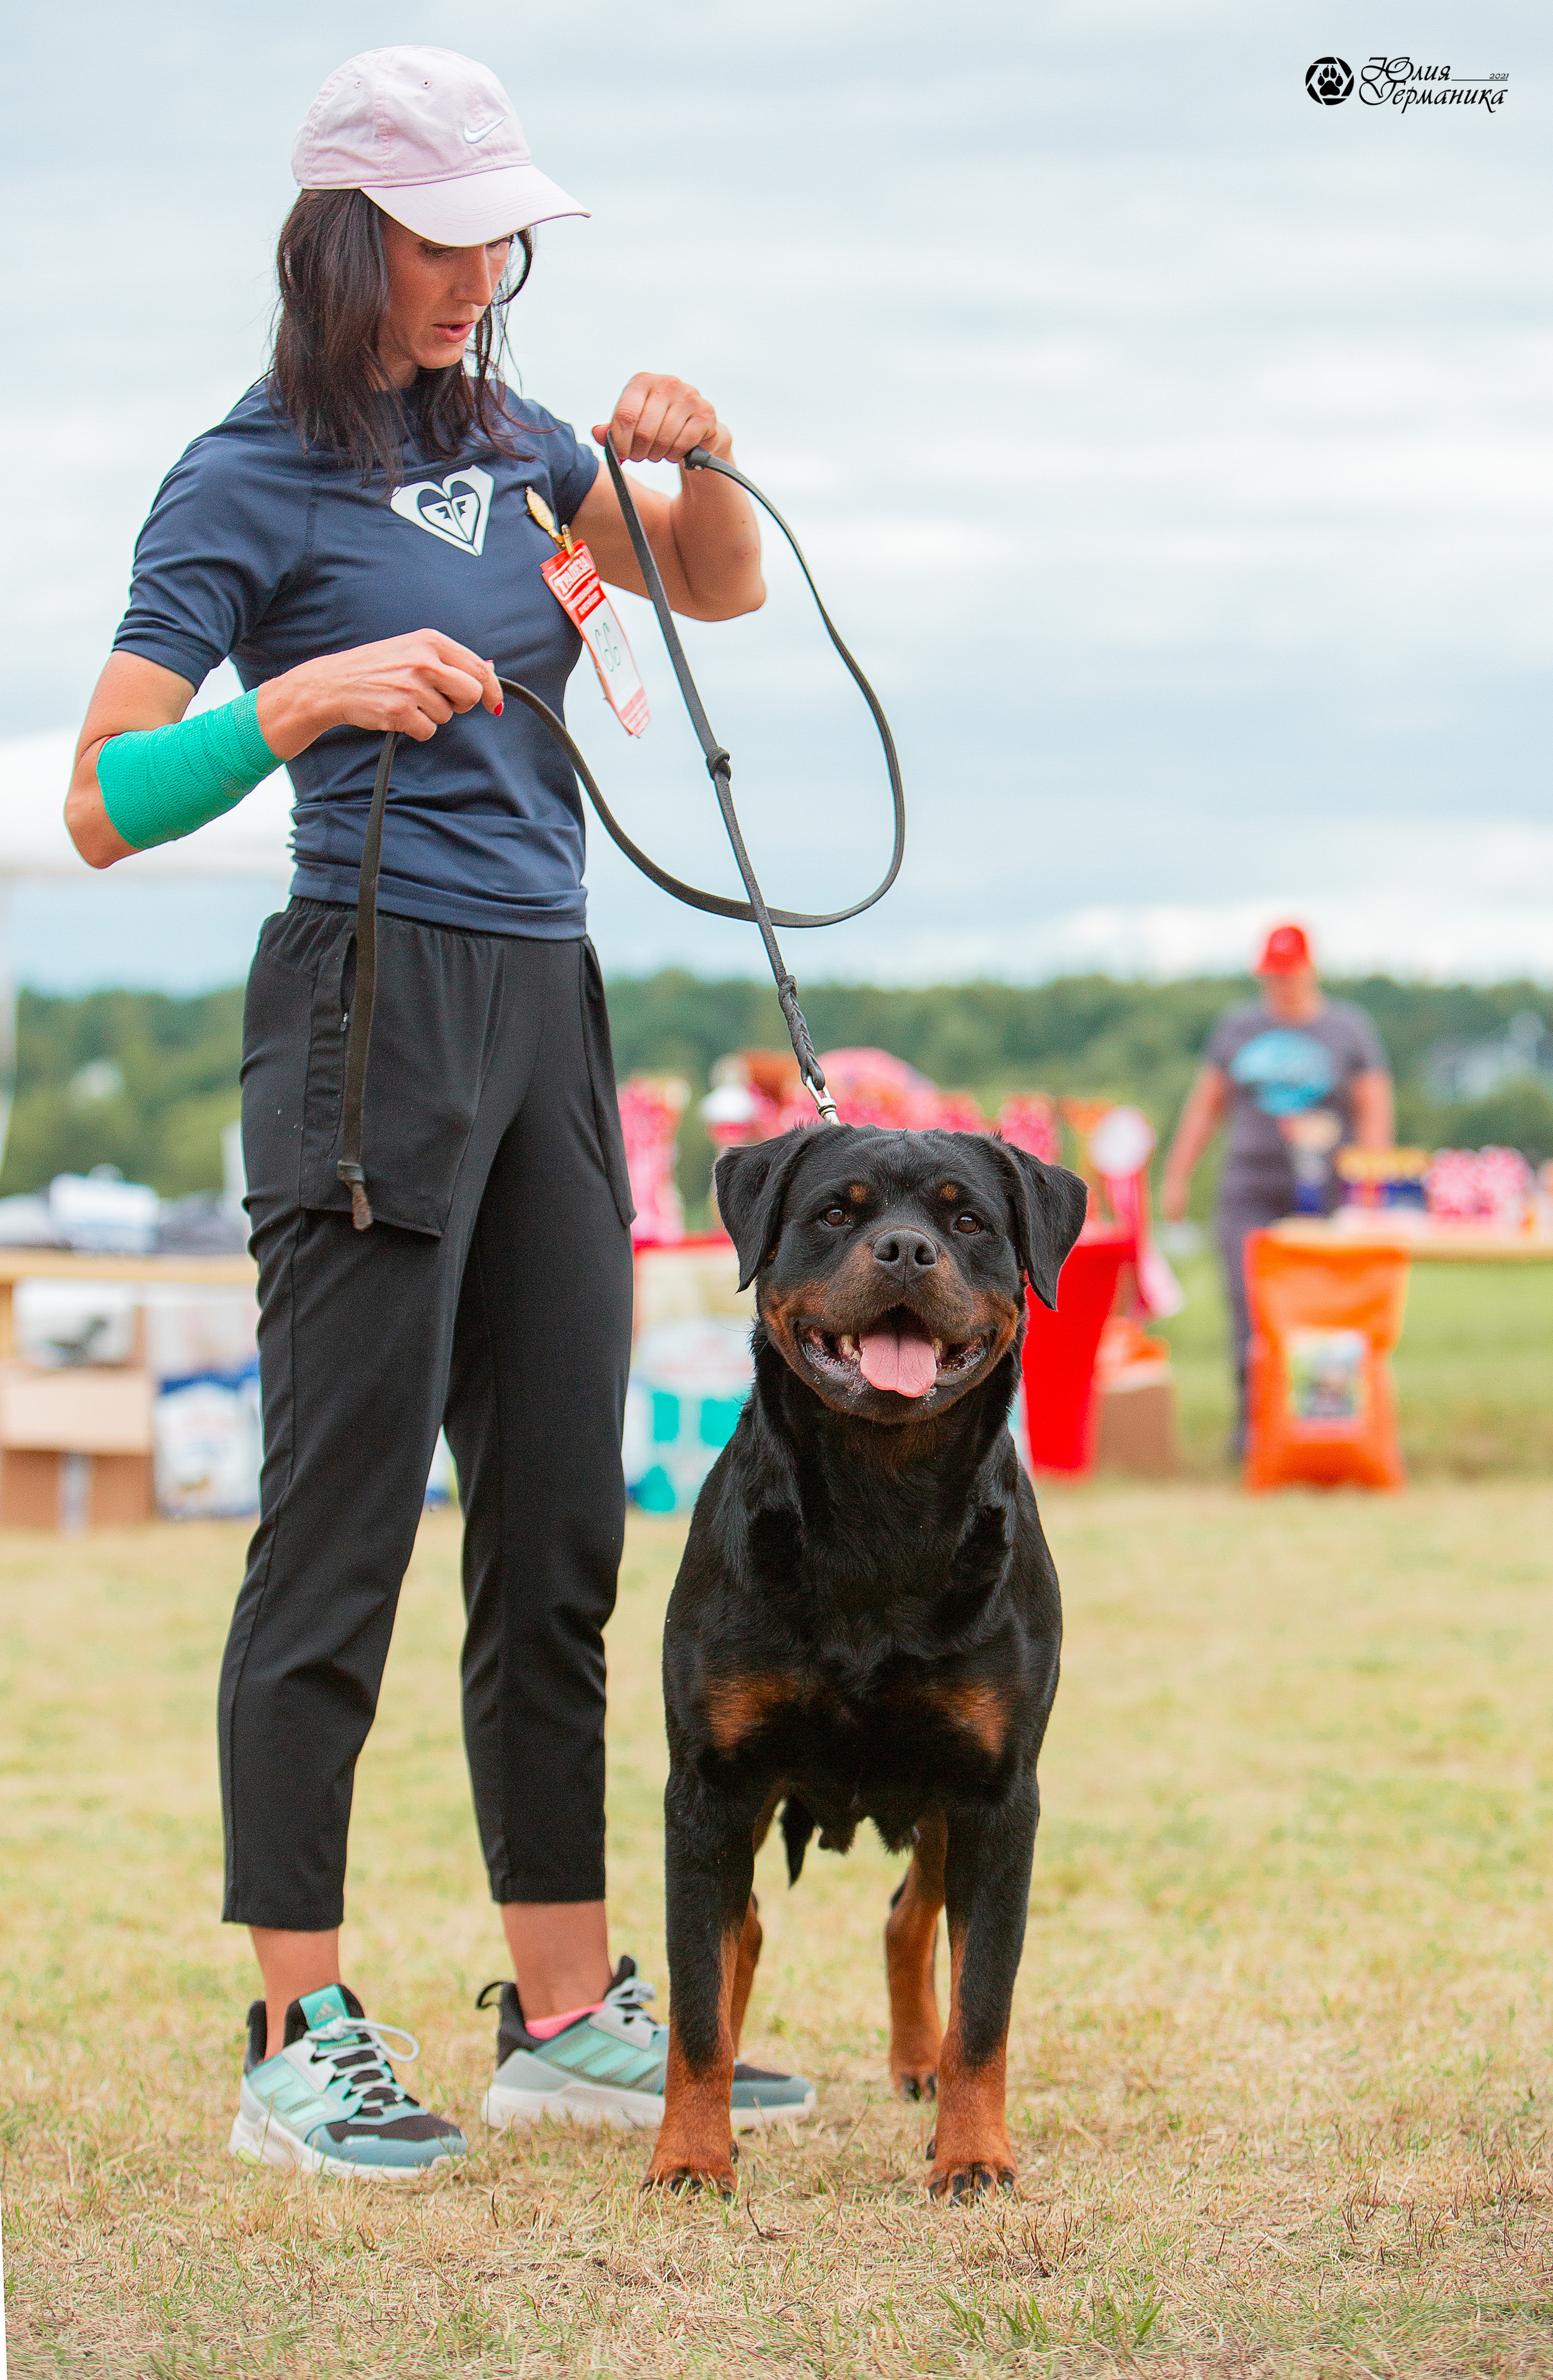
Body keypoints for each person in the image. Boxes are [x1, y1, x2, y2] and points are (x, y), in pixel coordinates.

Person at [64, 45, 813, 2179]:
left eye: (508, 231)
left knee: (564, 1526)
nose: (488, 266)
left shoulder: (519, 437)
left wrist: (708, 464)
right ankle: (294, 2024)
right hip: (363, 1004)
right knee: (335, 1543)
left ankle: (564, 2006)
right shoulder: (241, 479)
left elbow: (716, 590)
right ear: (344, 237)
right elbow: (102, 803)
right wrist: (305, 695)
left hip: (545, 1008)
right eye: (449, 230)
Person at [1160, 924, 1394, 1450]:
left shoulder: (1348, 1029)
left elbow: (1373, 1108)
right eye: (1272, 976)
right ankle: (1255, 1429)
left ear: (1310, 970)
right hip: (1249, 1187)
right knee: (1249, 1309)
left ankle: (1328, 1428)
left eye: (1288, 974)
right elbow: (1206, 1106)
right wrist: (1178, 1175)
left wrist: (1371, 1182)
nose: (1280, 985)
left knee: (1326, 1310)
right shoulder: (1237, 1029)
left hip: (1327, 1195)